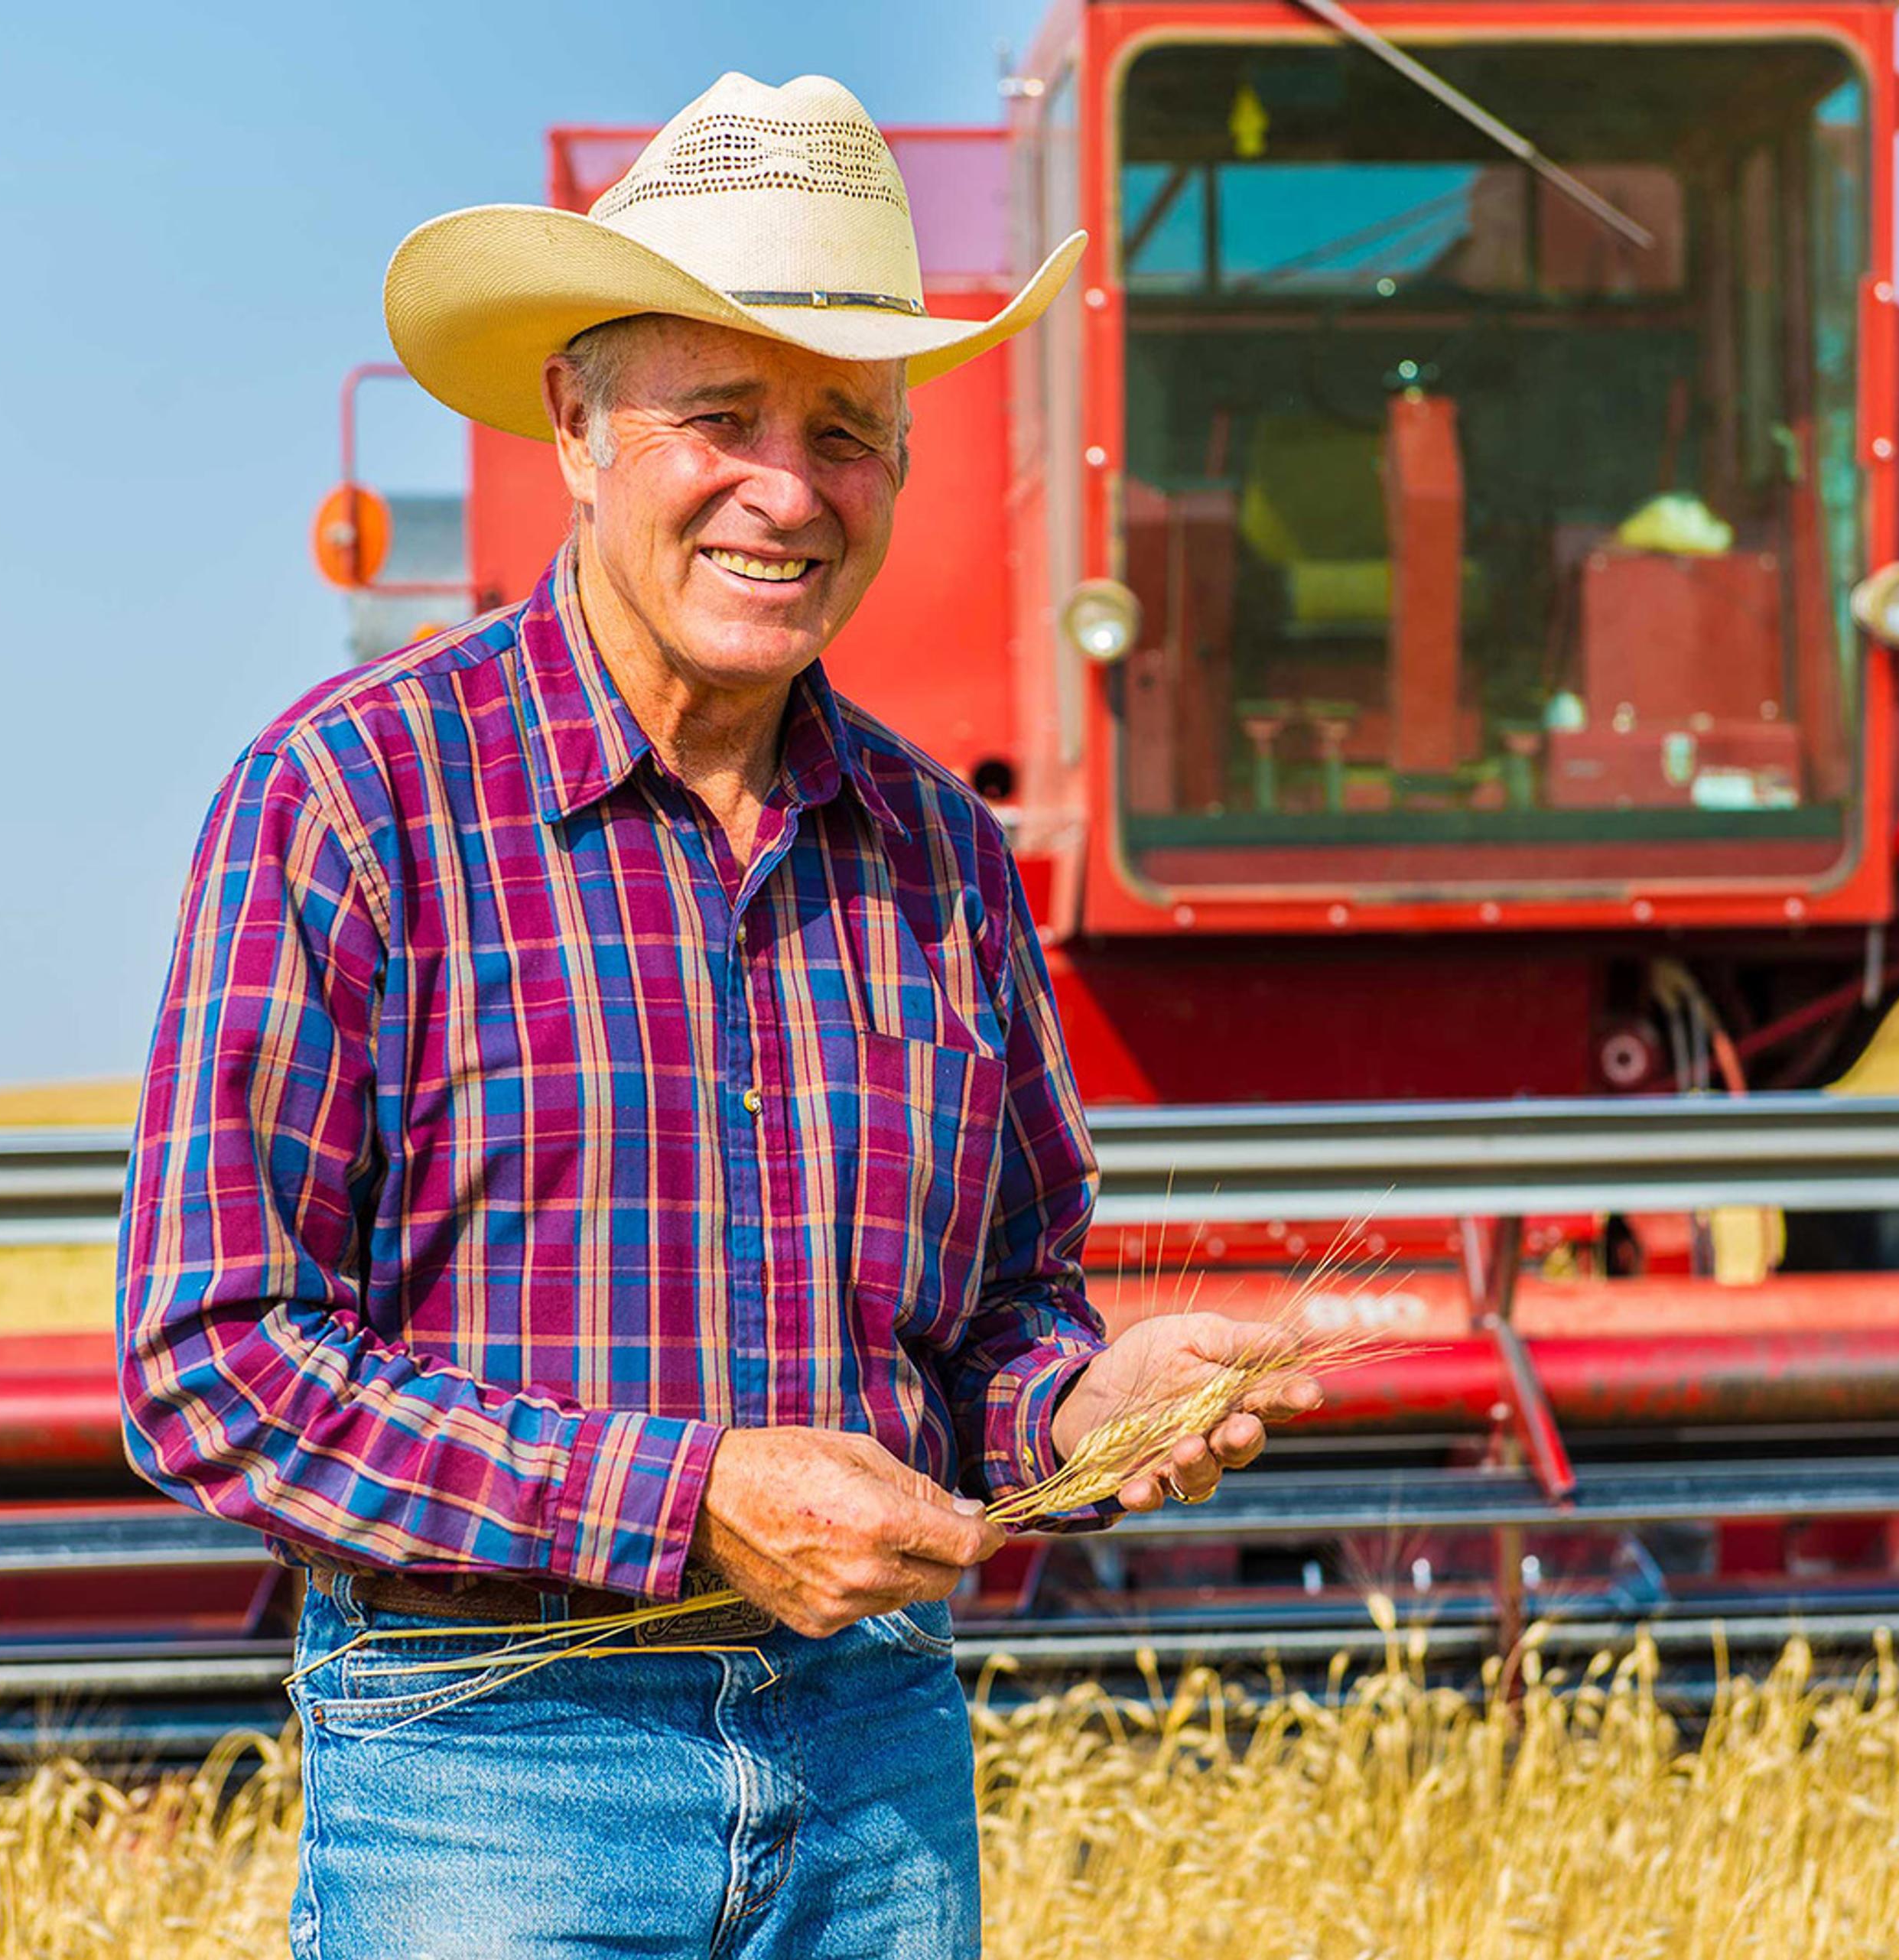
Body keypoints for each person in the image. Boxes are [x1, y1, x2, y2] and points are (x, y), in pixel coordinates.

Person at [116, 70, 1321, 1960]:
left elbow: (998, 1312)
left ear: (907, 466)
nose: (788, 486)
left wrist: (1081, 1403)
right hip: (492, 1766)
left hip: (878, 1758)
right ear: (578, 428)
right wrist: (689, 1502)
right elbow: (214, 1364)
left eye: (845, 427)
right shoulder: (357, 803)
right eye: (722, 417)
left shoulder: (942, 852)